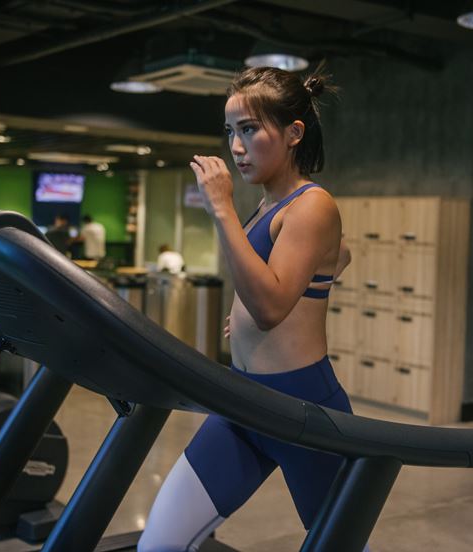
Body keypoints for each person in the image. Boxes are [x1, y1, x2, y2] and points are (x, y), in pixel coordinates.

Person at [138, 66, 365, 552]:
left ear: (293, 133)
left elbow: (270, 309)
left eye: (248, 130)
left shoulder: (312, 204)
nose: (235, 147)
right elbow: (327, 259)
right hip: (243, 402)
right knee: (159, 543)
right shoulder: (266, 206)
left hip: (302, 407)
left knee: (342, 544)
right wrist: (243, 311)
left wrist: (220, 209)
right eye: (230, 132)